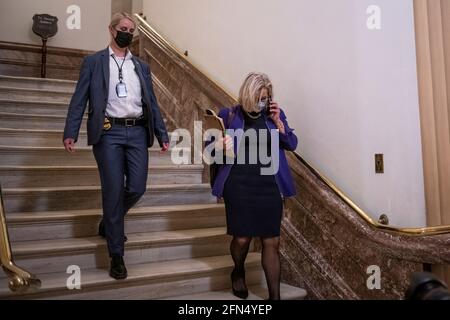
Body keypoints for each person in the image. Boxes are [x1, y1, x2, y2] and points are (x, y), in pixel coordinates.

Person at [63, 12, 170, 280]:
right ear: (111, 31)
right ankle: (116, 254)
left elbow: (152, 103)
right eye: (123, 28)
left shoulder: (142, 67)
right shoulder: (93, 62)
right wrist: (71, 131)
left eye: (131, 30)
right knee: (112, 190)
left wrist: (162, 133)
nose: (128, 33)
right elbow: (79, 100)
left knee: (137, 186)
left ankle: (110, 220)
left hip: (136, 132)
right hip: (108, 132)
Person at [209, 72, 298, 300]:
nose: (263, 103)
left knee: (272, 241)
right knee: (242, 239)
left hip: (268, 184)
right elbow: (209, 152)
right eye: (259, 98)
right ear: (247, 95)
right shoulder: (228, 115)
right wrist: (219, 144)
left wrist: (279, 124)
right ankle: (238, 271)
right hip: (238, 184)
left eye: (266, 98)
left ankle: (274, 298)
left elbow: (292, 144)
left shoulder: (274, 116)